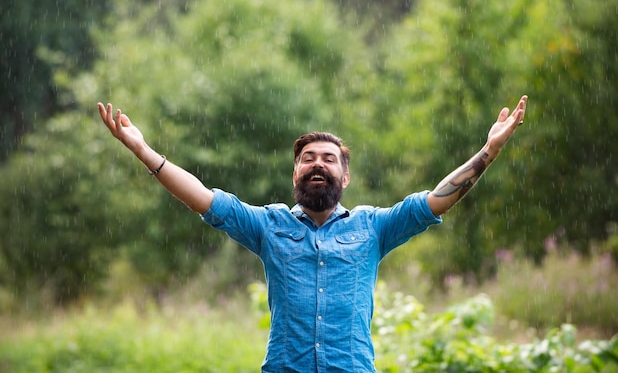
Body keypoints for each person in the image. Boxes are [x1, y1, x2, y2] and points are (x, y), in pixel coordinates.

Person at [97, 95, 527, 372]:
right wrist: (142, 149)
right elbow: (203, 199)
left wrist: (490, 150)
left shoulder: (373, 227)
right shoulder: (268, 226)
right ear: (296, 173)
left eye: (328, 158)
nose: (317, 163)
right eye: (307, 158)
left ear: (345, 176)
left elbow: (437, 200)